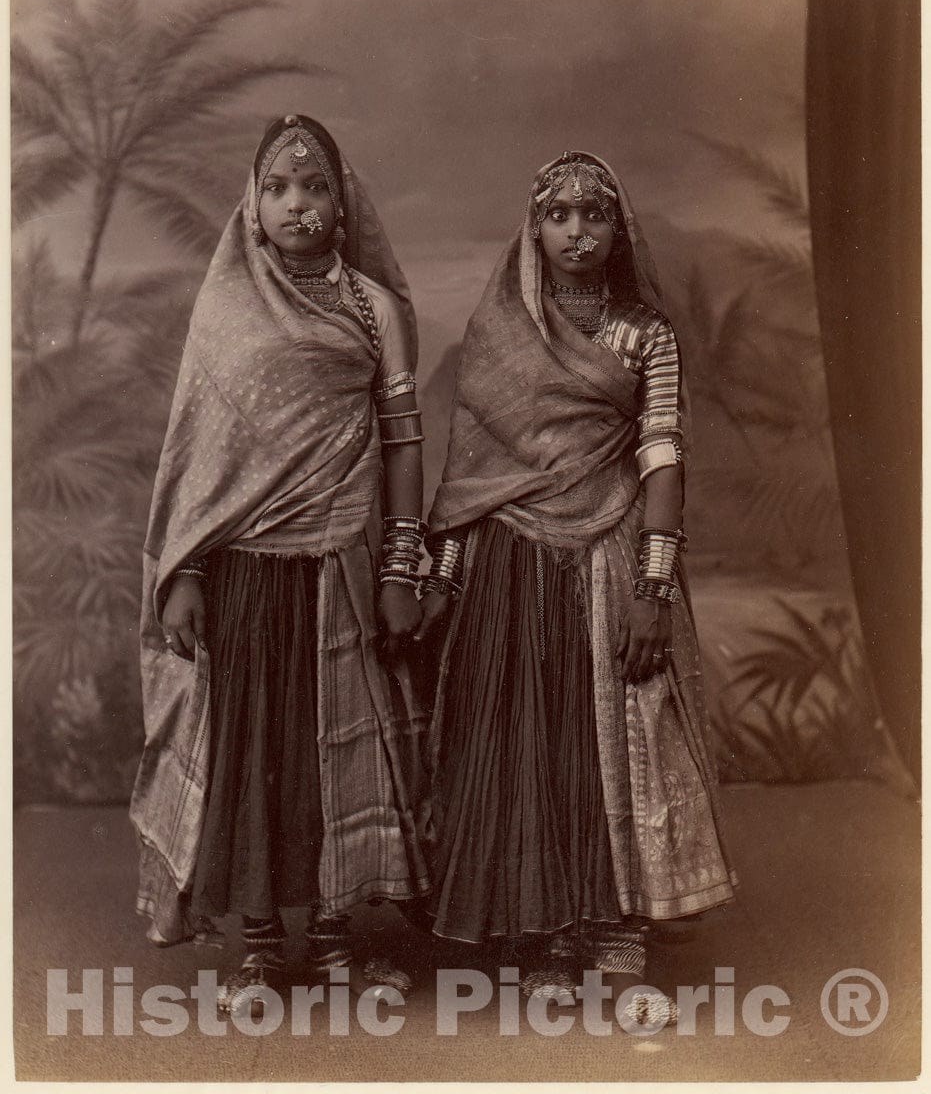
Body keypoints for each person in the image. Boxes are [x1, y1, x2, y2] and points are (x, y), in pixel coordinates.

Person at [416, 151, 737, 1017]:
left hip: (611, 551)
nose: (576, 231)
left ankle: (616, 940)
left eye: (593, 214)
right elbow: (468, 479)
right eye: (558, 215)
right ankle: (547, 939)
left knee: (615, 746)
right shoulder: (499, 333)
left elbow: (663, 456)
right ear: (534, 227)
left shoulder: (646, 334)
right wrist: (439, 580)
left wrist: (654, 589)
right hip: (509, 567)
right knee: (530, 746)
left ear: (617, 228)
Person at [130, 114, 432, 1012]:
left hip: (340, 560)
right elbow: (198, 455)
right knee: (255, 752)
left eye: (315, 188)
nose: (297, 205)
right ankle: (260, 944)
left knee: (340, 753)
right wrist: (183, 571)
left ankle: (336, 935)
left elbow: (403, 444)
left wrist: (401, 566)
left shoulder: (373, 310)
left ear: (345, 206)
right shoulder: (225, 308)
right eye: (277, 188)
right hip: (244, 571)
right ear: (252, 207)